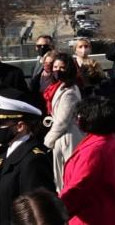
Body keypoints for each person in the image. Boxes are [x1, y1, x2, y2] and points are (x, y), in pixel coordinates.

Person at [0, 94, 53, 225]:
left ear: (20, 126)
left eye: (1, 123)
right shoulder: (0, 152)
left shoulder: (33, 160)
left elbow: (37, 212)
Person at [59, 96, 115, 225]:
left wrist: (57, 210)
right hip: (106, 214)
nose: (78, 119)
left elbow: (77, 188)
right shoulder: (107, 140)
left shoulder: (95, 150)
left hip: (90, 217)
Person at [43, 54, 85, 190]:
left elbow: (62, 121)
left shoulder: (69, 92)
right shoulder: (59, 87)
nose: (57, 70)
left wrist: (48, 140)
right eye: (55, 67)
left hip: (67, 138)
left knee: (66, 175)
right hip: (62, 137)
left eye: (62, 68)